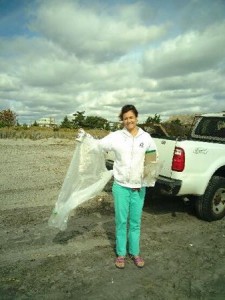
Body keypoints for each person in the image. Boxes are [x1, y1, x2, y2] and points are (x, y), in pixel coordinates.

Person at [98, 104, 157, 269]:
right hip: (121, 187)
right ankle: (121, 254)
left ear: (136, 118)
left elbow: (152, 160)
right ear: (122, 120)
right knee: (121, 222)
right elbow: (98, 146)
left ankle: (135, 253)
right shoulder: (116, 136)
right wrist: (85, 140)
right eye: (125, 118)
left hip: (139, 188)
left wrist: (148, 179)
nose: (128, 120)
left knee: (135, 222)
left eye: (131, 117)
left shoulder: (146, 138)